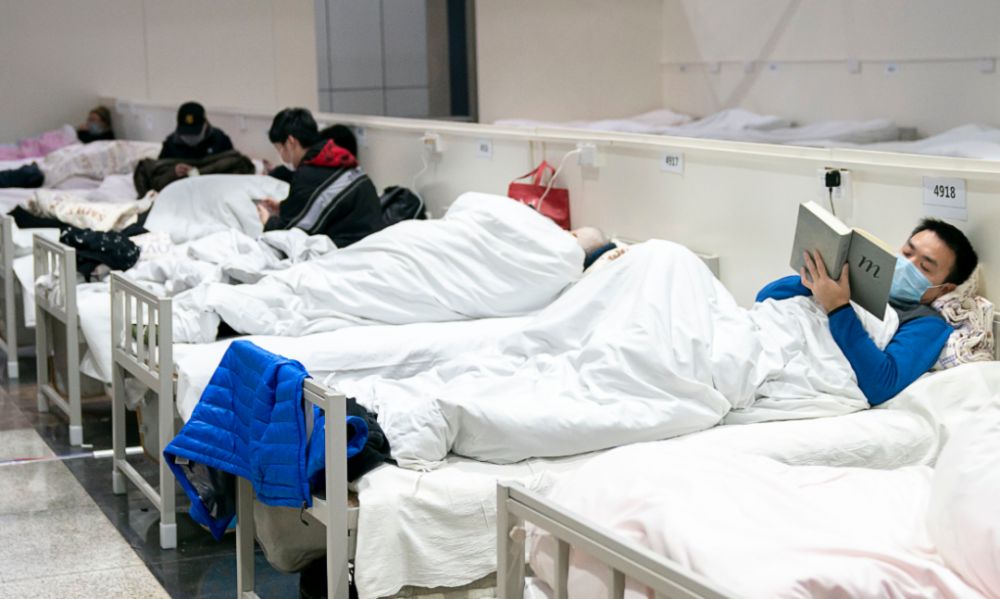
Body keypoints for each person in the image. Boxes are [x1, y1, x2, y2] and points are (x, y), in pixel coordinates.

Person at [756, 218, 978, 405]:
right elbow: (765, 297)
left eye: (924, 267)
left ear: (944, 289)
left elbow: (881, 385)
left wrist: (838, 307)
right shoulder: (860, 283)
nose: (907, 264)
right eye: (907, 252)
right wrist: (821, 279)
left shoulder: (927, 322)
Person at [257, 107, 382, 247]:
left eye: (279, 149)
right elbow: (318, 204)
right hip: (372, 235)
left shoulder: (308, 174)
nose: (281, 156)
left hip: (350, 246)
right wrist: (283, 207)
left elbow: (289, 232)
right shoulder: (336, 156)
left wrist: (268, 221)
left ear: (291, 142)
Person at [158, 101, 234, 175]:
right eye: (186, 133)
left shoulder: (220, 139)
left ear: (205, 124)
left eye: (195, 133)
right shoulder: (170, 145)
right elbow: (159, 172)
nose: (190, 137)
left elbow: (232, 165)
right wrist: (173, 172)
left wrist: (203, 171)